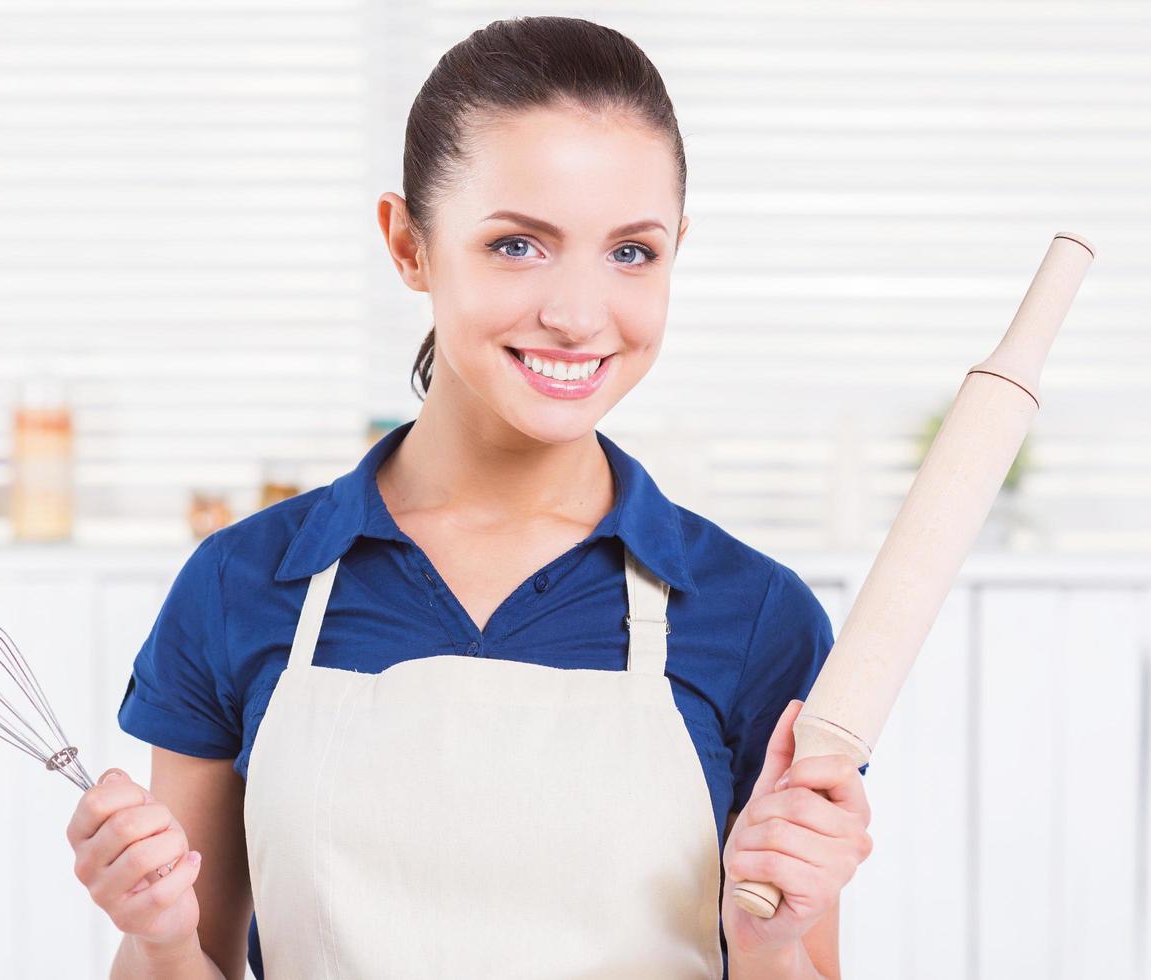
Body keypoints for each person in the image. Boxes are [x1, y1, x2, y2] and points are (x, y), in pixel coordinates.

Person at [67, 15, 873, 980]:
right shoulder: (244, 583)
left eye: (631, 252)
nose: (578, 315)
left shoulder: (753, 615)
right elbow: (185, 956)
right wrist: (155, 936)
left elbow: (800, 959)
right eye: (517, 246)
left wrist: (767, 943)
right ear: (408, 245)